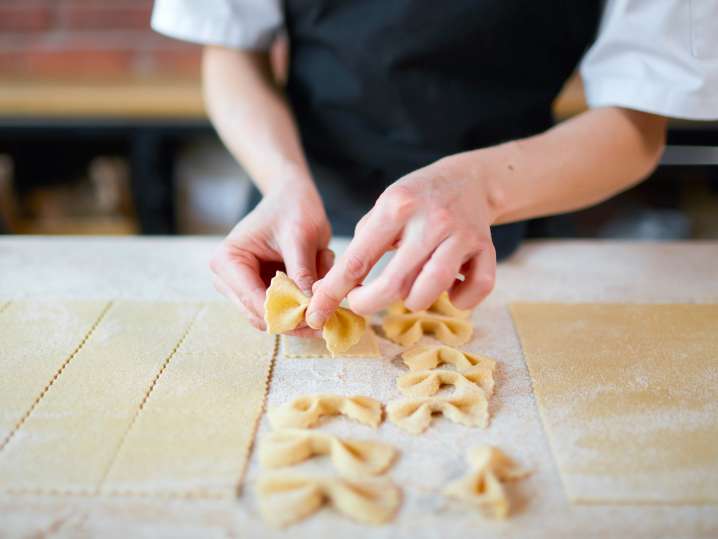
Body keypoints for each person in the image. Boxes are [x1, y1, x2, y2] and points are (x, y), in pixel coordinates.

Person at [152, 0, 718, 335]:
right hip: (304, 227)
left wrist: (484, 188)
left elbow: (638, 125)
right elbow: (230, 51)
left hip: (510, 228)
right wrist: (282, 180)